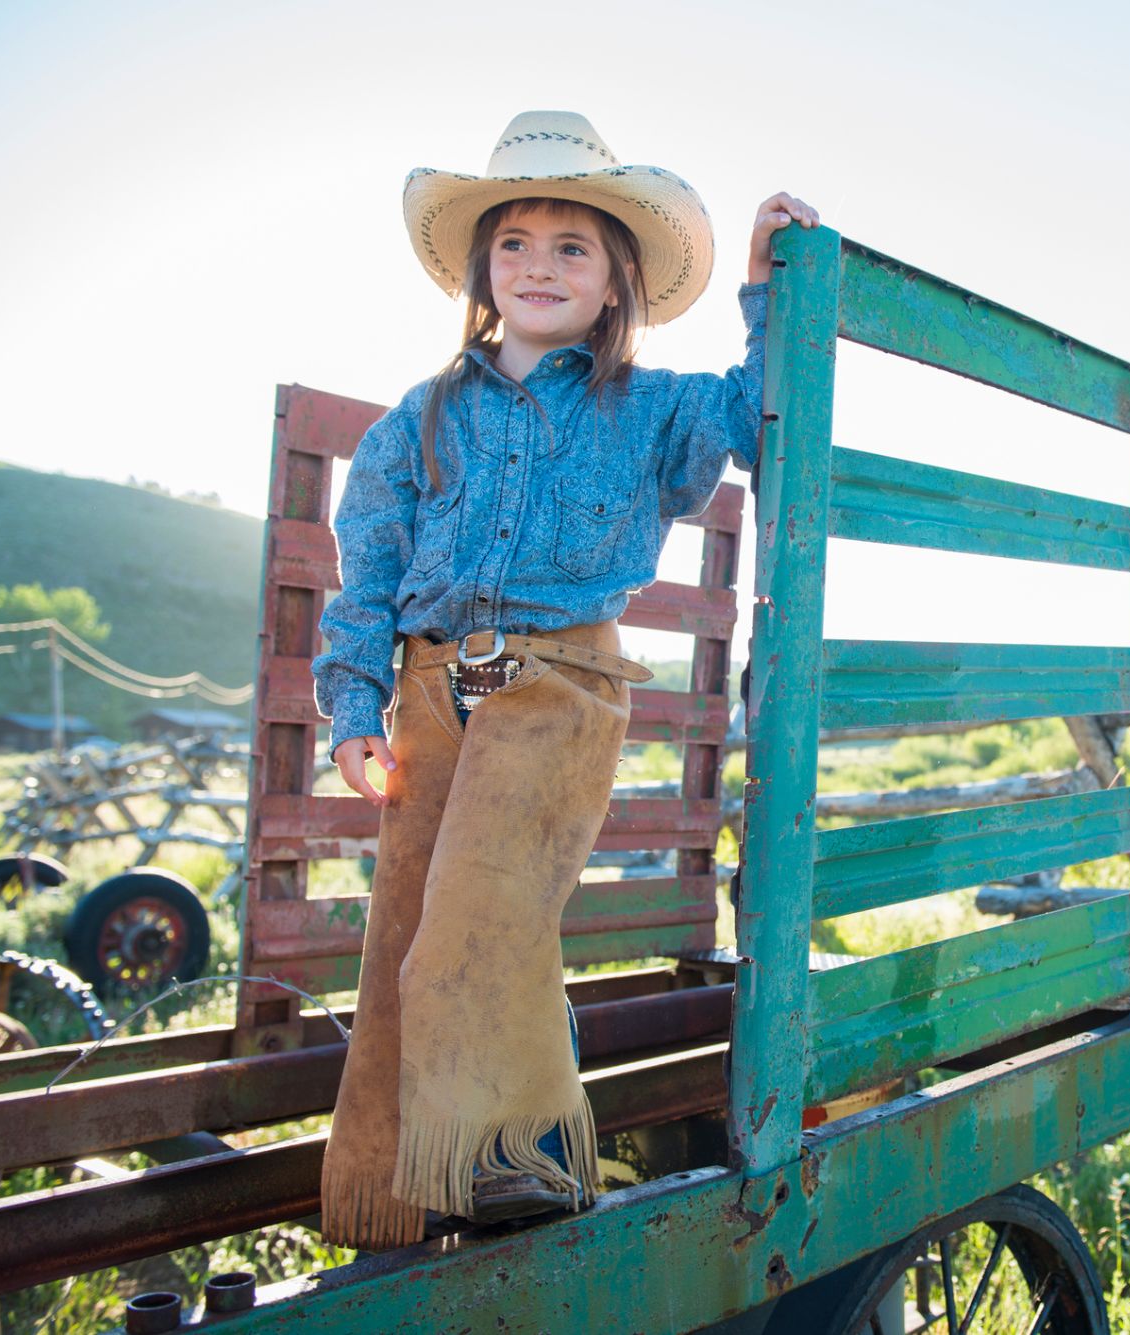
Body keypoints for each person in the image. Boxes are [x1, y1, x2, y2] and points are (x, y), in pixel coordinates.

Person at [311, 109, 817, 1249]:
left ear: (617, 278)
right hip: (432, 688)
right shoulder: (419, 419)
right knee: (404, 939)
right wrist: (353, 706)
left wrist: (764, 285)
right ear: (483, 271)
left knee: (475, 920)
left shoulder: (650, 408)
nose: (538, 264)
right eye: (514, 242)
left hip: (561, 684)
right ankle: (395, 1193)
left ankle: (517, 1165)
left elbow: (757, 408)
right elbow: (370, 572)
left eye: (570, 245)